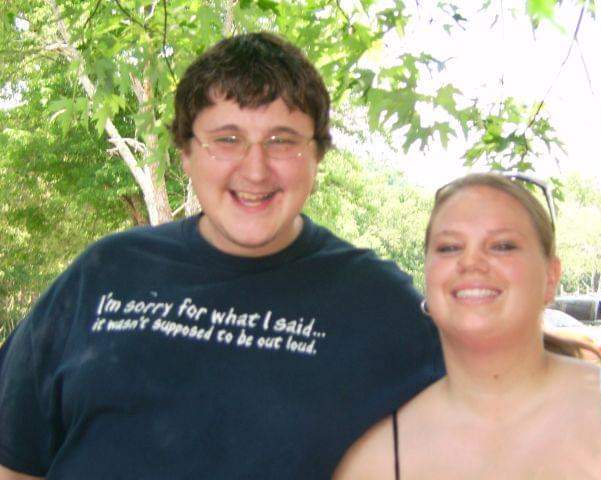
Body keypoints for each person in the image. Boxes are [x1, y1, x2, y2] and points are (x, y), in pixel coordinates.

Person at [0, 32, 444, 479]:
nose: (255, 169)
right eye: (227, 139)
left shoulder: (378, 303)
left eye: (282, 140)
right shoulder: (104, 274)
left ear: (317, 155)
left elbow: (476, 420)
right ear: (186, 152)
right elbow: (12, 457)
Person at [333, 173, 601, 479]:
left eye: (502, 245)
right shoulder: (377, 462)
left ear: (551, 277)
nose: (471, 262)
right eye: (449, 247)